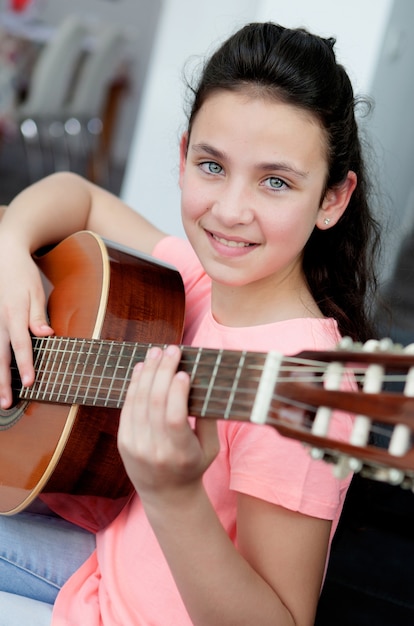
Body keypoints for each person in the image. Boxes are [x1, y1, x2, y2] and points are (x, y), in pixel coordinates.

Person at [0, 21, 380, 626]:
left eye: (276, 181)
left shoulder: (309, 387)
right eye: (212, 166)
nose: (229, 211)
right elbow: (79, 194)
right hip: (102, 554)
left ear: (333, 200)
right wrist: (11, 245)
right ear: (182, 157)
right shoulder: (203, 283)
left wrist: (174, 495)